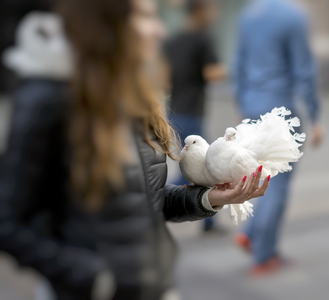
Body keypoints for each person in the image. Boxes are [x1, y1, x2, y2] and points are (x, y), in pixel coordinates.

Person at [0, 0, 270, 299]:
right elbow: (8, 220)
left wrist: (208, 197)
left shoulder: (137, 95)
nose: (159, 29)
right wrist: (90, 278)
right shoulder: (50, 98)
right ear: (103, 20)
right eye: (145, 16)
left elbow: (144, 202)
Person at [233, 0, 324, 276]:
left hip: (252, 107)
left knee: (264, 177)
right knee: (278, 183)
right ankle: (262, 255)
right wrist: (316, 116)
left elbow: (238, 65)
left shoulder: (248, 15)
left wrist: (243, 106)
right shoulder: (294, 17)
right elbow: (304, 70)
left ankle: (254, 236)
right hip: (280, 111)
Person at [164, 0, 227, 234]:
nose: (215, 13)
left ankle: (209, 222)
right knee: (201, 166)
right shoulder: (203, 38)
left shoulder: (173, 41)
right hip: (192, 111)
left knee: (194, 167)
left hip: (173, 111)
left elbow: (164, 78)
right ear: (200, 11)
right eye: (211, 8)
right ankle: (154, 203)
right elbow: (213, 73)